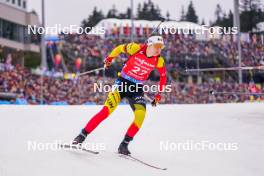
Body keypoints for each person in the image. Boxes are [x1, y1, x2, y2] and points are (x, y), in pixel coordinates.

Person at [72, 35, 167, 155]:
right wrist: (109, 58)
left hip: (136, 88)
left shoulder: (159, 60)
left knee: (140, 116)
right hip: (122, 83)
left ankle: (124, 145)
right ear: (149, 44)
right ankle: (81, 136)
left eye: (161, 47)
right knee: (106, 111)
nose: (159, 50)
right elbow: (119, 48)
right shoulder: (135, 48)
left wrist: (158, 94)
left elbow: (163, 77)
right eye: (157, 46)